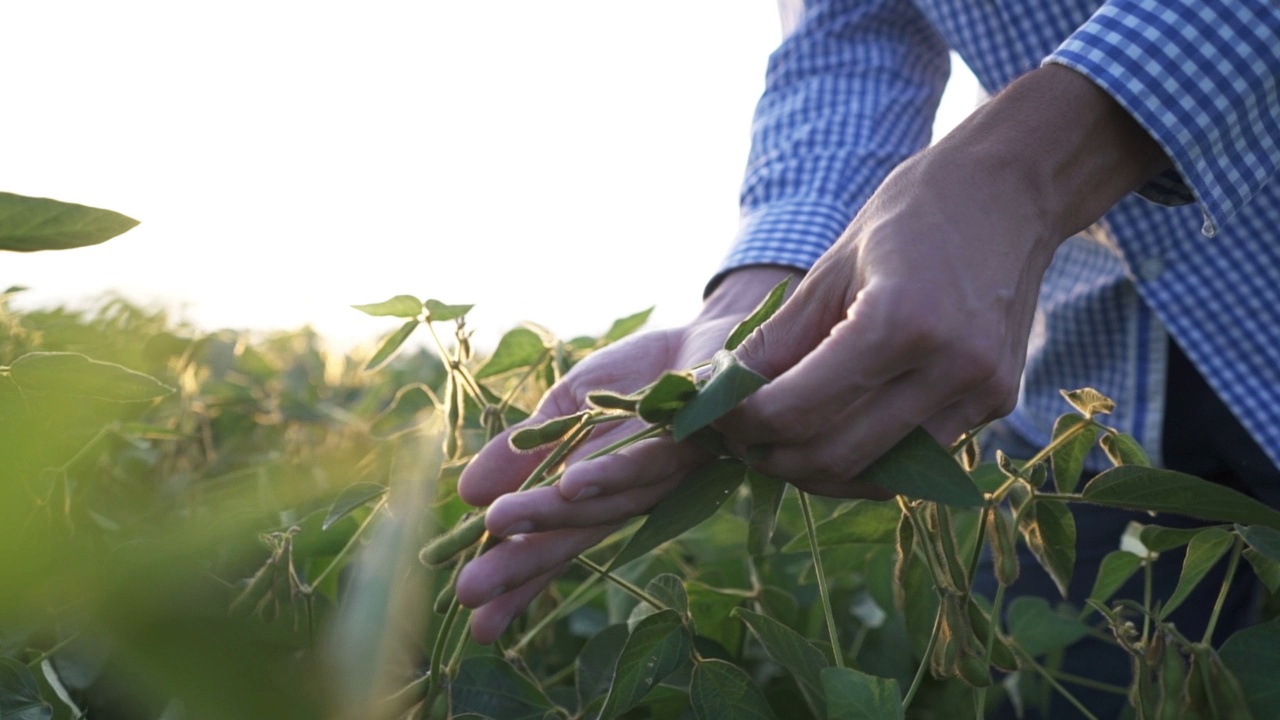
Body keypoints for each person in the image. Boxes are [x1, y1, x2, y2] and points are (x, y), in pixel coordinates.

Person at [455, 0, 1280, 714]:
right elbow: (851, 38)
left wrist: (1021, 170)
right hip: (1086, 376)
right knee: (1056, 680)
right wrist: (756, 307)